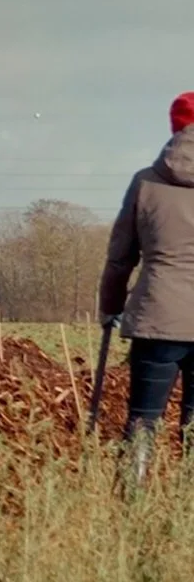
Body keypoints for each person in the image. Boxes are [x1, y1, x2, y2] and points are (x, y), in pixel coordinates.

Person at [98, 91, 194, 483]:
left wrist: (110, 305)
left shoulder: (146, 182)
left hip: (157, 316)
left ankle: (131, 506)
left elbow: (121, 256)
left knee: (142, 420)